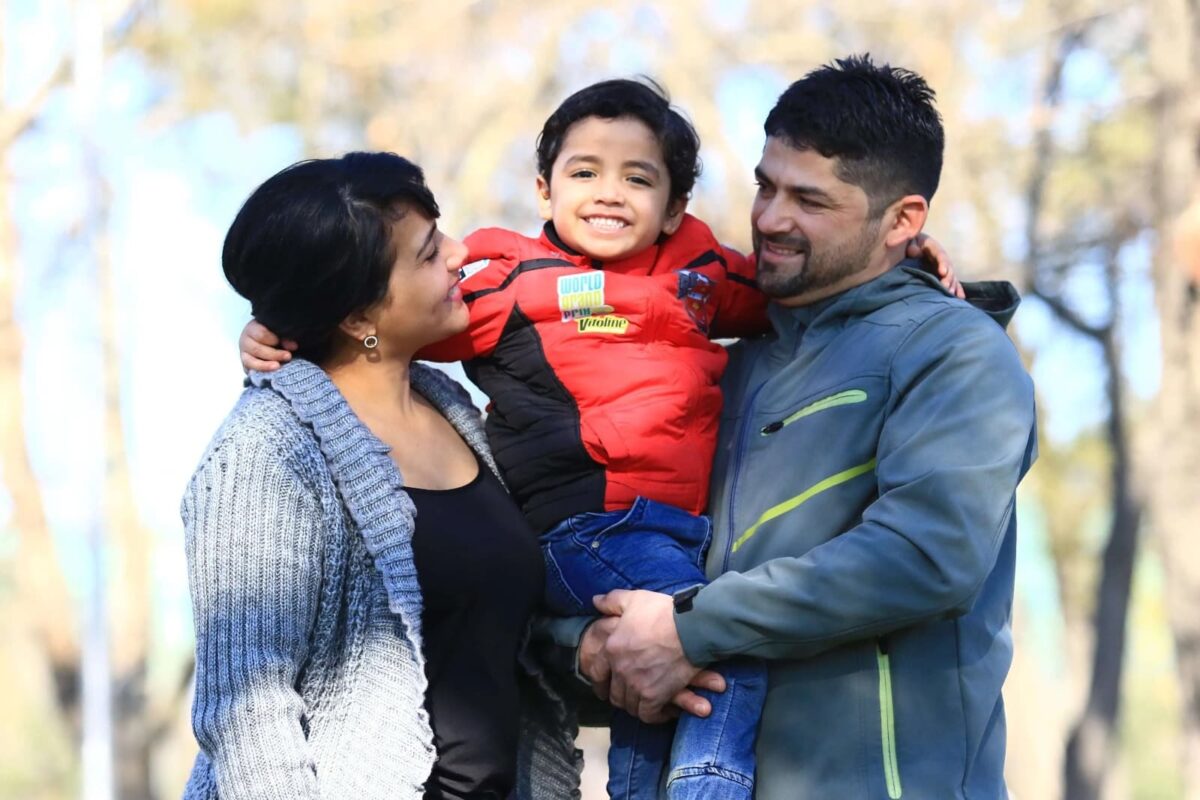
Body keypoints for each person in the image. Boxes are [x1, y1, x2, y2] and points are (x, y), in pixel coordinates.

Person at [239, 81, 962, 800]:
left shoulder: (703, 271)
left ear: (675, 206)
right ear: (544, 190)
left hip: (677, 531)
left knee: (653, 686)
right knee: (715, 645)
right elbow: (382, 318)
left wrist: (898, 256)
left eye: (638, 178)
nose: (609, 193)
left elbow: (802, 286)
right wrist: (282, 332)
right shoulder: (510, 281)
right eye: (584, 172)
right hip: (590, 526)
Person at [585, 55, 1037, 800]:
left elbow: (927, 556)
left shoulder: (954, 350)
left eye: (809, 200)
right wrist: (592, 645)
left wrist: (690, 628)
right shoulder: (721, 369)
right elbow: (617, 562)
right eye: (765, 186)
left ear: (904, 221)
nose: (769, 219)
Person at [181, 152, 581, 800]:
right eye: (428, 254)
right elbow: (248, 715)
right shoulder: (264, 452)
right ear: (358, 318)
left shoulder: (453, 409)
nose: (459, 254)